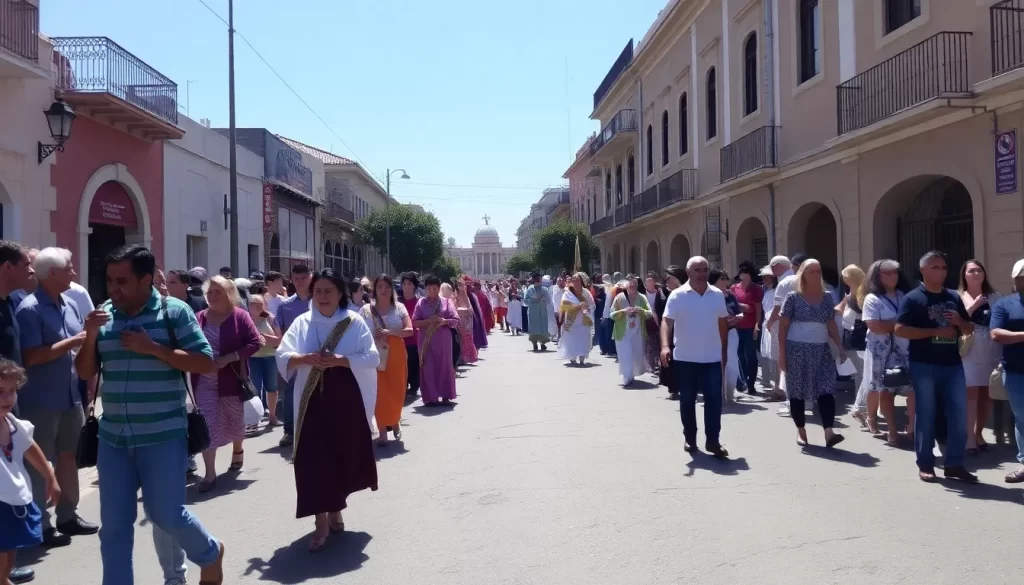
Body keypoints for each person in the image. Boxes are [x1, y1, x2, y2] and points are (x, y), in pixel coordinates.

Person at [74, 245, 225, 585]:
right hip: (113, 439)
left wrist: (153, 349)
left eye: (122, 281)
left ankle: (210, 553)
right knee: (113, 529)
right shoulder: (104, 313)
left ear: (146, 280)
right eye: (110, 281)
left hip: (163, 436)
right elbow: (86, 372)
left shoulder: (175, 312)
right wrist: (91, 337)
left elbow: (204, 363)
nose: (113, 289)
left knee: (165, 515)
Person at [275, 268, 379, 552]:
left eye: (328, 291)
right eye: (317, 291)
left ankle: (335, 508)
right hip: (310, 404)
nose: (322, 296)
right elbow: (282, 354)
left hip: (343, 401)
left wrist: (340, 360)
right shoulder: (302, 323)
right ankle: (320, 520)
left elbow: (371, 357)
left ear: (340, 294)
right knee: (312, 459)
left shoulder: (354, 322)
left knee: (339, 455)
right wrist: (303, 358)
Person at [14, 248, 95, 547]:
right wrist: (72, 342)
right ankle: (41, 527)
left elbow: (82, 346)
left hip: (70, 396)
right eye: (69, 268)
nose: (74, 273)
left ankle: (67, 516)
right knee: (39, 463)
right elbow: (31, 357)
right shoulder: (30, 309)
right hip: (41, 401)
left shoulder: (70, 304)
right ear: (52, 274)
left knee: (68, 458)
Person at [895, 250, 976, 483]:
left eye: (943, 267)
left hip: (953, 365)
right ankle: (926, 463)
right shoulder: (913, 298)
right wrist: (934, 332)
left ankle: (954, 464)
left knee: (959, 414)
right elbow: (900, 329)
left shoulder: (953, 296)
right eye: (934, 267)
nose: (940, 272)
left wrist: (961, 322)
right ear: (922, 270)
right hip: (924, 365)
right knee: (927, 413)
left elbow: (969, 329)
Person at [191, 276, 263, 491]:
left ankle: (237, 449)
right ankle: (209, 474)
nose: (212, 296)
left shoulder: (240, 316)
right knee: (207, 423)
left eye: (218, 292)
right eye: (210, 292)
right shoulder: (198, 318)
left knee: (235, 421)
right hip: (203, 380)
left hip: (232, 379)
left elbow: (255, 342)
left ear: (230, 295)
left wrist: (231, 357)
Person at [0, 358, 62, 585]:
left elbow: (30, 447)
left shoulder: (13, 424)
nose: (7, 398)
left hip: (13, 501)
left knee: (8, 559)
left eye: (12, 390)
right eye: (0, 391)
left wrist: (50, 477)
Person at [660, 257, 729, 457]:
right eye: (697, 269)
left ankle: (713, 441)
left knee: (714, 401)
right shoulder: (677, 295)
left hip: (711, 358)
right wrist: (665, 346)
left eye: (705, 269)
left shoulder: (717, 294)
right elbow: (667, 322)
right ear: (688, 273)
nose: (702, 273)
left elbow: (722, 322)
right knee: (688, 400)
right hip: (685, 358)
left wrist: (724, 350)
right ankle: (690, 438)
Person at [778, 259, 847, 449]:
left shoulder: (826, 297)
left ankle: (829, 433)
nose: (816, 275)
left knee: (826, 390)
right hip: (796, 350)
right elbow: (783, 327)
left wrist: (840, 346)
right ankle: (801, 431)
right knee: (797, 392)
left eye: (818, 271)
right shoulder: (793, 297)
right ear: (803, 274)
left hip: (821, 350)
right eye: (811, 271)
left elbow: (830, 323)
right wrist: (781, 354)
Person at [859, 260, 914, 444]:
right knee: (883, 390)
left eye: (895, 272)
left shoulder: (904, 296)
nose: (892, 276)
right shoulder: (872, 299)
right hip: (881, 352)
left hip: (905, 349)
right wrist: (900, 326)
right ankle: (888, 428)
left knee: (913, 389)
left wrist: (894, 326)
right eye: (887, 273)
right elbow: (875, 326)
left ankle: (912, 427)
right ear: (877, 276)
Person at [361, 275, 413, 445]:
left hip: (396, 354)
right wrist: (372, 336)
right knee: (379, 392)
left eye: (387, 287)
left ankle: (395, 419)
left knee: (396, 391)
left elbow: (409, 330)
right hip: (374, 354)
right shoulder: (366, 310)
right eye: (380, 287)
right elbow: (357, 333)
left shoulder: (399, 308)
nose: (383, 290)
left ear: (392, 290)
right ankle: (382, 430)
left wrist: (390, 332)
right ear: (374, 290)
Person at [958, 259, 1001, 454]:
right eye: (972, 271)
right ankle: (969, 438)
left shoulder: (995, 296)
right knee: (971, 393)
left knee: (987, 394)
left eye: (979, 271)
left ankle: (979, 433)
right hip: (970, 350)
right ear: (964, 275)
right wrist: (974, 306)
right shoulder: (958, 296)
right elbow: (957, 321)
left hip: (992, 349)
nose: (976, 274)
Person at [989, 259, 1024, 483]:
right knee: (1022, 419)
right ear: (1015, 279)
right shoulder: (1004, 305)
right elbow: (996, 334)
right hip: (1016, 372)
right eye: (1023, 276)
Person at [274, 264, 314, 448]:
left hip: (316, 354)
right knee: (289, 392)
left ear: (310, 278)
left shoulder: (320, 301)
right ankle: (289, 431)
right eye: (296, 279)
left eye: (303, 278)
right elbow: (280, 333)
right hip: (294, 356)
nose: (299, 282)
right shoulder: (285, 305)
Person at [414, 277, 459, 405]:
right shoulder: (421, 303)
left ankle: (446, 394)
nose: (432, 291)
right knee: (428, 366)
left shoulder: (446, 302)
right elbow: (415, 322)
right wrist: (428, 321)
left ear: (439, 289)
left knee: (445, 365)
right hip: (426, 340)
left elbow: (455, 319)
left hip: (443, 340)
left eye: (434, 288)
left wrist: (444, 321)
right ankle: (430, 396)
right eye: (429, 289)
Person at [765, 255, 802, 412]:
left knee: (782, 359)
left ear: (779, 266)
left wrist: (770, 322)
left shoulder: (784, 282)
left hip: (782, 325)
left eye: (773, 266)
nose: (771, 270)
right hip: (798, 326)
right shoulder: (798, 279)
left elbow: (777, 307)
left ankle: (785, 394)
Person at [247, 295, 282, 427]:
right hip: (252, 358)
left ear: (264, 305)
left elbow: (278, 340)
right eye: (252, 303)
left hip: (270, 357)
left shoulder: (271, 318)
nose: (255, 306)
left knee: (272, 389)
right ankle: (254, 419)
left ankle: (272, 416)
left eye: (259, 303)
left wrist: (261, 336)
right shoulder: (246, 319)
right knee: (254, 389)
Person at [610, 276, 651, 386]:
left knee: (636, 355)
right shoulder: (619, 297)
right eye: (630, 285)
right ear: (626, 285)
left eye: (634, 285)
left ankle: (631, 374)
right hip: (622, 333)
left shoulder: (642, 298)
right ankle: (627, 376)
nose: (632, 287)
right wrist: (623, 311)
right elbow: (612, 314)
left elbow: (649, 313)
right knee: (625, 354)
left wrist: (641, 311)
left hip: (637, 333)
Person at [731, 262, 763, 395]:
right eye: (740, 271)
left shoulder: (756, 289)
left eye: (744, 271)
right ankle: (740, 381)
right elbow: (731, 305)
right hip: (736, 326)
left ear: (749, 274)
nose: (741, 274)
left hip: (750, 326)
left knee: (751, 356)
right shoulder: (734, 288)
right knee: (739, 355)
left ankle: (751, 384)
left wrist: (757, 325)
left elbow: (757, 309)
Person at [713, 269, 744, 403]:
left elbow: (737, 310)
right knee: (716, 362)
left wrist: (738, 317)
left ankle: (730, 393)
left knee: (731, 362)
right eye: (722, 278)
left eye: (726, 278)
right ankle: (716, 392)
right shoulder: (711, 295)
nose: (726, 281)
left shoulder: (730, 295)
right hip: (714, 333)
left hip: (731, 332)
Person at [657, 266, 684, 398]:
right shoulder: (663, 292)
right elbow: (661, 314)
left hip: (683, 331)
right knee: (670, 359)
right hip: (669, 330)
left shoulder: (685, 292)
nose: (666, 280)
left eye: (669, 277)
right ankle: (673, 388)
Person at [557, 272, 595, 366]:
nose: (575, 282)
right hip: (571, 319)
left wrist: (586, 308)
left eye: (577, 280)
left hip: (583, 319)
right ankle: (572, 357)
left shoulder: (586, 292)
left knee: (584, 337)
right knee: (572, 338)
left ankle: (582, 357)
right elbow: (564, 304)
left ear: (581, 281)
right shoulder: (568, 292)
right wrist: (576, 306)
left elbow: (592, 305)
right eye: (573, 280)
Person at [400, 273, 421, 397]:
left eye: (409, 284)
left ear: (414, 286)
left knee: (413, 363)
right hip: (400, 339)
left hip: (414, 340)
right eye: (404, 284)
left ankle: (414, 387)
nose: (406, 286)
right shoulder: (397, 304)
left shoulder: (419, 302)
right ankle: (404, 385)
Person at [757, 266, 777, 392]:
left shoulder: (775, 292)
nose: (764, 280)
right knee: (770, 357)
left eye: (766, 277)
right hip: (767, 326)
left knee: (775, 357)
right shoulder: (768, 292)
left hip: (773, 326)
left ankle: (778, 386)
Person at [453, 280, 479, 365]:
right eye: (459, 285)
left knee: (467, 338)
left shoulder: (466, 295)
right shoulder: (455, 295)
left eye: (463, 285)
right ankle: (461, 357)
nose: (462, 287)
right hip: (459, 319)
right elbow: (455, 307)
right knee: (460, 338)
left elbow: (469, 308)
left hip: (466, 320)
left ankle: (466, 357)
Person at [524, 273, 552, 351]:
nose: (537, 280)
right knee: (534, 328)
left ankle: (542, 343)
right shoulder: (530, 289)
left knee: (543, 327)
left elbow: (548, 300)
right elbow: (525, 300)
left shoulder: (544, 289)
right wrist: (533, 299)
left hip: (542, 311)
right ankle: (534, 343)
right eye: (536, 279)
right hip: (533, 311)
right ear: (533, 280)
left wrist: (543, 299)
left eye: (538, 279)